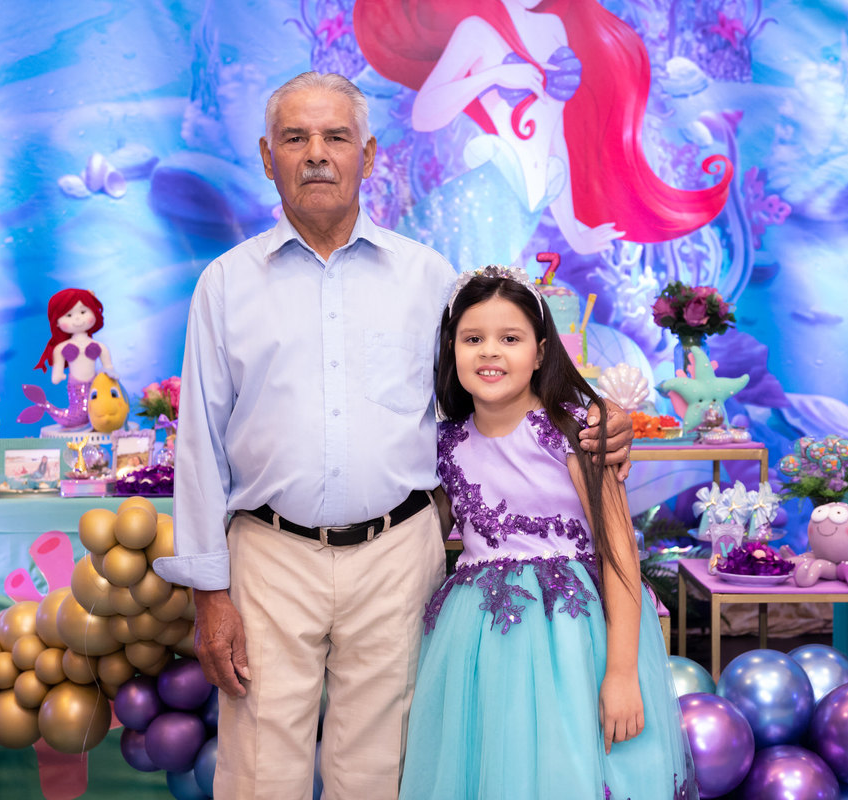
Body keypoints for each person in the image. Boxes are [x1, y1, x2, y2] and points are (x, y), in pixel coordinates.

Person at [152, 72, 632, 800]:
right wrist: (208, 593)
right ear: (267, 156)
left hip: (398, 553)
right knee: (259, 767)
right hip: (268, 555)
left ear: (369, 155)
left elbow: (492, 391)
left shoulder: (427, 277)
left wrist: (595, 416)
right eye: (295, 138)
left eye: (336, 137)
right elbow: (199, 446)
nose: (317, 154)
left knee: (380, 768)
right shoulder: (225, 284)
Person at [399, 266, 695, 799]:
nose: (490, 352)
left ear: (539, 352)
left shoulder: (575, 431)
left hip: (573, 642)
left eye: (510, 339)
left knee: (568, 767)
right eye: (473, 339)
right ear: (451, 349)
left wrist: (621, 673)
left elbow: (619, 552)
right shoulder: (443, 445)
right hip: (479, 641)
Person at [354, 0, 732, 265]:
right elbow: (425, 114)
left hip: (523, 212)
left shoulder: (554, 30)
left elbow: (554, 141)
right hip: (478, 206)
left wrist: (575, 234)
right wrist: (494, 76)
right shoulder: (477, 31)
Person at [18, 288, 115, 429]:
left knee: (98, 410)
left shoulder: (99, 346)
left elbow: (108, 366)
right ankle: (47, 406)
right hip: (75, 387)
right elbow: (56, 373)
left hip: (96, 386)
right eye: (69, 315)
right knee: (79, 414)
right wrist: (58, 375)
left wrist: (108, 372)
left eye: (83, 312)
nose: (77, 319)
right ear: (57, 322)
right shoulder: (61, 348)